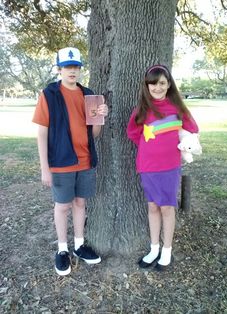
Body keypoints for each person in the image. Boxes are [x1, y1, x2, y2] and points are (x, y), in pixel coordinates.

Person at [32, 47, 108, 276]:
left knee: (80, 204)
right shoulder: (49, 94)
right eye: (67, 67)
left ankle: (79, 245)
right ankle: (63, 249)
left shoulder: (89, 94)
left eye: (76, 67)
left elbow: (93, 135)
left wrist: (100, 117)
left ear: (80, 69)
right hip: (61, 162)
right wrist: (45, 168)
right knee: (62, 206)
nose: (72, 71)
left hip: (85, 160)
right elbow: (41, 133)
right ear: (60, 69)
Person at [126, 64, 199, 271]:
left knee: (167, 207)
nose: (157, 88)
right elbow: (132, 132)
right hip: (148, 166)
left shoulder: (178, 108)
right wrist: (150, 146)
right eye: (153, 84)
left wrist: (185, 142)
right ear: (147, 86)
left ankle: (167, 250)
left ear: (168, 85)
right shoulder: (142, 109)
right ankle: (154, 248)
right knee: (152, 206)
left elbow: (193, 129)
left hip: (169, 167)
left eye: (162, 83)